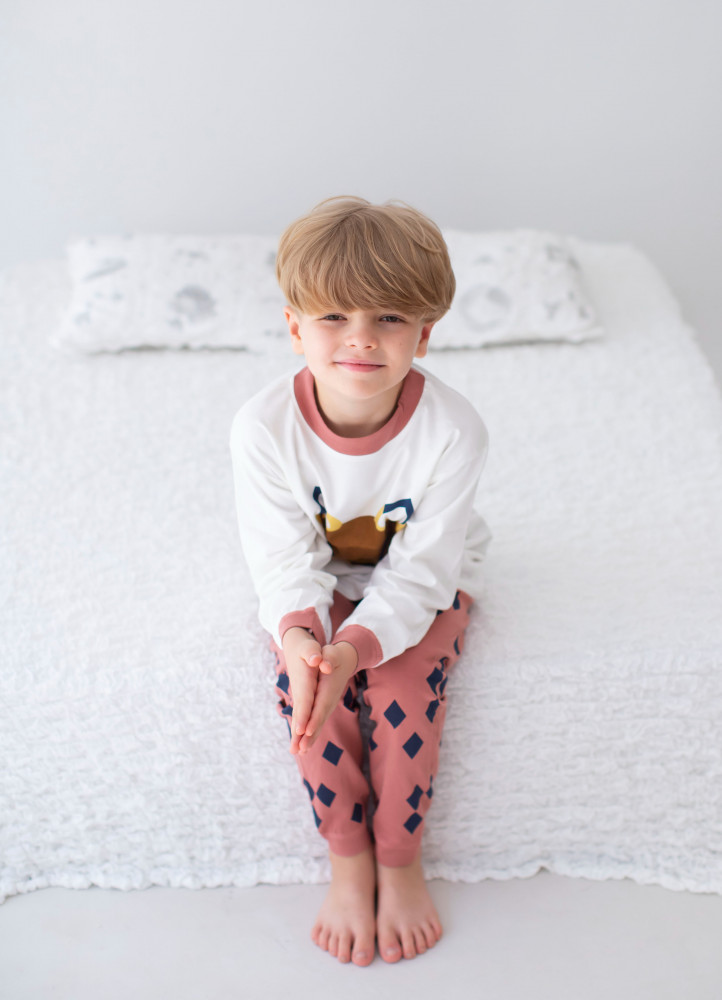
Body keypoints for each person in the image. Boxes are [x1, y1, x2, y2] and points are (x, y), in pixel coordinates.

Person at [230, 196, 490, 966]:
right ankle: (348, 857)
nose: (361, 338)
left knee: (403, 687)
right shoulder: (261, 427)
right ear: (294, 327)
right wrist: (309, 643)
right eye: (334, 316)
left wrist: (361, 647)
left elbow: (422, 573)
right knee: (309, 691)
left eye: (389, 318)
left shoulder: (454, 430)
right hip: (318, 579)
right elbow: (284, 561)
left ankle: (399, 860)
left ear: (425, 333)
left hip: (425, 582)